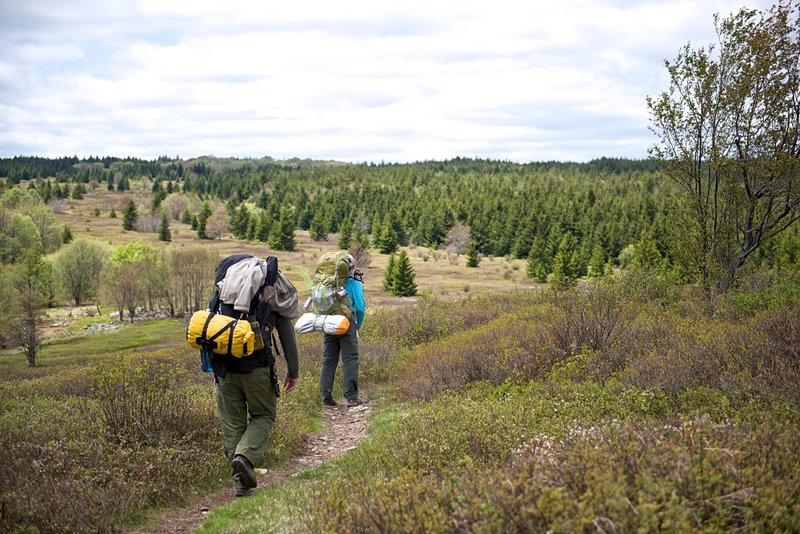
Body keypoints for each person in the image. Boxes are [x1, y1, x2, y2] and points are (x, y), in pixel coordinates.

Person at [208, 253, 299, 498]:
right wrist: (293, 371)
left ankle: (241, 484)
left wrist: (212, 370)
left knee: (232, 425)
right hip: (258, 369)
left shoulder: (218, 297)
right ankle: (244, 457)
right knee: (264, 416)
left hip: (225, 371)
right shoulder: (267, 296)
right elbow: (287, 336)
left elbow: (207, 333)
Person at [320, 254, 366, 408]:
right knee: (350, 359)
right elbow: (359, 308)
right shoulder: (353, 284)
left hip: (330, 323)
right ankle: (351, 398)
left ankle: (326, 396)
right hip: (347, 323)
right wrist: (357, 325)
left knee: (329, 359)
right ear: (351, 268)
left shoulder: (328, 283)